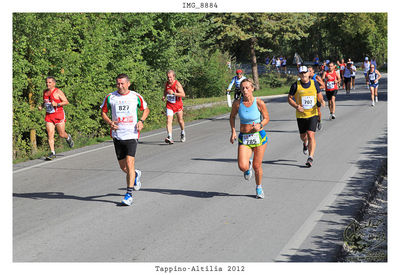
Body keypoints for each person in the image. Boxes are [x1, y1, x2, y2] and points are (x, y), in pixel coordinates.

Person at [100, 73, 150, 206]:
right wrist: (110, 122)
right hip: (117, 135)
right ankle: (136, 175)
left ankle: (128, 194)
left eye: (122, 83)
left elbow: (146, 109)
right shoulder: (111, 97)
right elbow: (103, 112)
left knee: (129, 162)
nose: (120, 86)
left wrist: (141, 121)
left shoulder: (135, 96)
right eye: (118, 83)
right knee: (123, 167)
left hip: (132, 134)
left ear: (128, 83)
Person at [229, 79, 270, 199]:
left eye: (247, 88)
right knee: (242, 166)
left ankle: (259, 188)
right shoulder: (237, 103)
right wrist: (233, 131)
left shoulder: (259, 103)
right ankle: (248, 167)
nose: (245, 90)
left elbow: (267, 118)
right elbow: (232, 117)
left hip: (259, 138)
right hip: (244, 138)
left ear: (252, 88)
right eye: (243, 88)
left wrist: (260, 125)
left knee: (257, 166)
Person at [288, 66, 325, 167]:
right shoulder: (295, 85)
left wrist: (321, 100)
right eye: (302, 73)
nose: (304, 74)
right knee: (303, 136)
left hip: (313, 114)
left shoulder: (314, 83)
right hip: (301, 115)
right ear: (299, 75)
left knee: (311, 134)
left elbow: (319, 94)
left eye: (305, 72)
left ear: (309, 74)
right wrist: (296, 106)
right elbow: (290, 98)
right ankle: (305, 143)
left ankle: (310, 157)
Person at [38, 76, 74, 160]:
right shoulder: (45, 92)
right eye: (47, 82)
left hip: (58, 115)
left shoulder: (58, 91)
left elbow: (66, 102)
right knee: (50, 134)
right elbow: (46, 102)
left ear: (54, 83)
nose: (47, 84)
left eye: (50, 82)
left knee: (61, 134)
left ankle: (68, 137)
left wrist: (57, 104)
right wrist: (41, 106)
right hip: (49, 116)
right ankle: (52, 152)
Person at [163, 70, 186, 144]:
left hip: (178, 105)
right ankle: (169, 136)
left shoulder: (177, 84)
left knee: (180, 121)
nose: (169, 79)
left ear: (174, 77)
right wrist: (164, 96)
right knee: (169, 120)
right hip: (169, 105)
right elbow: (165, 91)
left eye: (170, 77)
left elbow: (183, 95)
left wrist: (174, 93)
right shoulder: (166, 83)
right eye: (168, 77)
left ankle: (182, 132)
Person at [308, 66, 325, 130]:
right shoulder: (307, 78)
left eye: (310, 71)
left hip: (317, 96)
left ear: (313, 71)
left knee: (318, 111)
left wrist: (315, 88)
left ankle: (319, 121)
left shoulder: (317, 77)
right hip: (310, 97)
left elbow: (323, 86)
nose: (309, 72)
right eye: (308, 71)